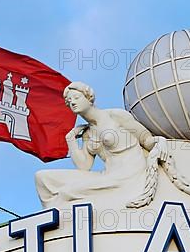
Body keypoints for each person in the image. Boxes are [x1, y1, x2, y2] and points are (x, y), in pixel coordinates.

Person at [35, 82, 166, 207]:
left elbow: (146, 140)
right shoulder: (87, 133)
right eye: (69, 101)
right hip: (107, 175)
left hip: (128, 175)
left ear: (89, 97)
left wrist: (160, 141)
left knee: (67, 192)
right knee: (43, 178)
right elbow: (84, 166)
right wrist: (71, 140)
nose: (73, 102)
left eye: (76, 97)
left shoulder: (116, 116)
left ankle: (63, 222)